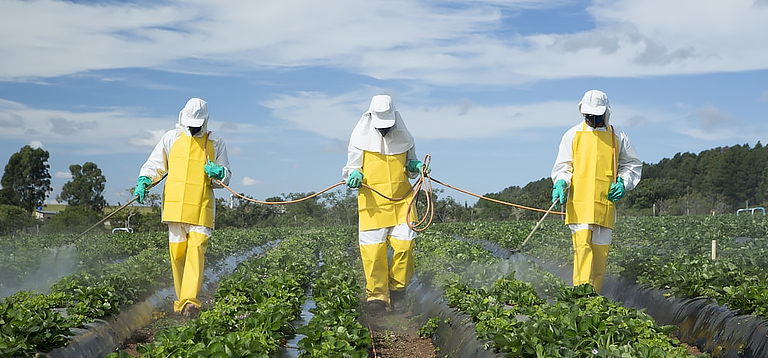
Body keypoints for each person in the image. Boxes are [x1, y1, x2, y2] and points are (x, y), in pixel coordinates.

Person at [134, 98, 231, 317]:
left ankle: (190, 302)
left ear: (205, 121)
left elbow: (226, 177)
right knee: (177, 254)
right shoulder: (171, 137)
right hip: (175, 206)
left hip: (201, 204)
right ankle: (181, 303)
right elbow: (155, 164)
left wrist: (219, 173)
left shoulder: (215, 142)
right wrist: (143, 181)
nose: (193, 126)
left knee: (196, 250)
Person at [342, 94, 429, 312]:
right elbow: (352, 167)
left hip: (402, 202)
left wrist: (416, 166)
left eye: (387, 126)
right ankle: (377, 297)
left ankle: (398, 290)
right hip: (372, 203)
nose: (384, 131)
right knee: (373, 252)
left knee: (405, 246)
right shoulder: (359, 138)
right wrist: (354, 175)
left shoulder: (405, 137)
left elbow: (410, 165)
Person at [551, 90, 641, 294]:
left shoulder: (617, 136)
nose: (592, 119)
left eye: (596, 116)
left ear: (606, 113)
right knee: (582, 251)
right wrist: (561, 183)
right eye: (589, 116)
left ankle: (595, 300)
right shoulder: (572, 135)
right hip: (580, 204)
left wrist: (623, 183)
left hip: (605, 204)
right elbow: (563, 167)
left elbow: (632, 165)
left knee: (600, 257)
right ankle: (580, 299)